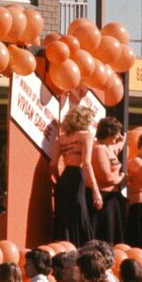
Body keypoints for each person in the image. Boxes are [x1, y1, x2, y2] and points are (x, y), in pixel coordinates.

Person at [50, 105, 98, 247]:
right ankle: (81, 247)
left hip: (65, 177)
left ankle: (63, 245)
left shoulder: (61, 139)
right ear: (83, 119)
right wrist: (95, 190)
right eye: (89, 118)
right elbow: (87, 162)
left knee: (64, 216)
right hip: (78, 175)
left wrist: (58, 181)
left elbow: (52, 165)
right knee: (79, 212)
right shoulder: (86, 135)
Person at [89, 116, 127, 244]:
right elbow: (107, 177)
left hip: (112, 198)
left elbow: (117, 147)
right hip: (103, 198)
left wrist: (123, 141)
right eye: (116, 134)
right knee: (104, 236)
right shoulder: (98, 148)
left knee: (112, 236)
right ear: (109, 133)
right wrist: (122, 177)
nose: (117, 137)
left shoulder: (108, 147)